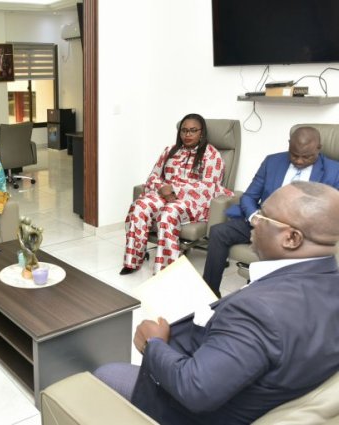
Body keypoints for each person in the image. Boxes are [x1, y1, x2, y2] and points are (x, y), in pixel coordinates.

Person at [96, 181, 339, 424]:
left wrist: (154, 344)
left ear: (292, 238)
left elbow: (194, 390)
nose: (252, 221)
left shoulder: (259, 311)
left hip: (192, 413)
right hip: (251, 387)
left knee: (105, 374)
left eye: (262, 216)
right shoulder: (328, 282)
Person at [202, 126, 339, 297]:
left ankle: (264, 296)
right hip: (264, 222)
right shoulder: (272, 162)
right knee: (218, 232)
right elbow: (249, 196)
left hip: (299, 233)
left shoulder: (334, 171)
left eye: (306, 157)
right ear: (289, 145)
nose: (299, 161)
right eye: (294, 155)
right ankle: (209, 293)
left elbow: (331, 213)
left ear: (319, 148)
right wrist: (255, 217)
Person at [121, 113, 232, 275]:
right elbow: (153, 176)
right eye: (184, 130)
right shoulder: (170, 151)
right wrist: (163, 188)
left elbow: (209, 187)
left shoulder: (211, 154)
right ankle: (133, 260)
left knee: (169, 212)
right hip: (164, 195)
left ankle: (165, 271)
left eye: (193, 130)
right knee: (139, 206)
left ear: (201, 133)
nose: (187, 134)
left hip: (193, 202)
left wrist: (174, 189)